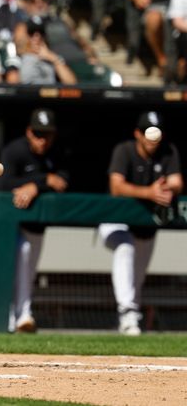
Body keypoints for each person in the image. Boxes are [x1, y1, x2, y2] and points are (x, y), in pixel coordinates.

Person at [98, 112, 183, 335]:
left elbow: (177, 182)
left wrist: (167, 189)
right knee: (125, 247)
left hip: (144, 226)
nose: (153, 140)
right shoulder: (124, 150)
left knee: (138, 275)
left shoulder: (168, 151)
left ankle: (128, 320)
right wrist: (149, 192)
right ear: (138, 134)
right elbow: (116, 187)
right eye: (147, 134)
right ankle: (127, 312)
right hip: (114, 220)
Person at [0, 108, 70, 333]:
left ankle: (23, 315)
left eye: (47, 134)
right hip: (9, 226)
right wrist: (41, 181)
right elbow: (3, 183)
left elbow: (63, 182)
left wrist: (35, 186)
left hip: (36, 227)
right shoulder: (15, 151)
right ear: (29, 132)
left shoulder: (57, 153)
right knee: (12, 268)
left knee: (28, 270)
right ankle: (11, 317)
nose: (42, 140)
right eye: (38, 134)